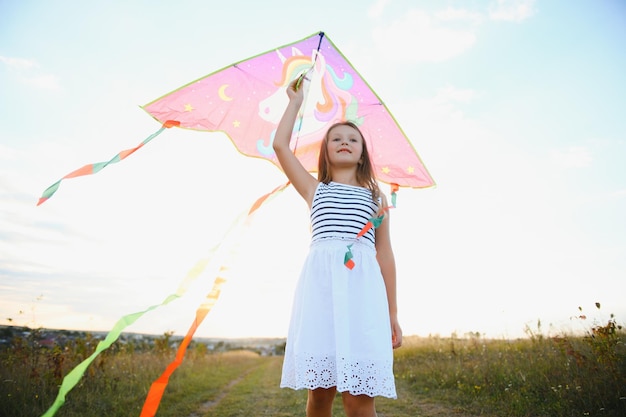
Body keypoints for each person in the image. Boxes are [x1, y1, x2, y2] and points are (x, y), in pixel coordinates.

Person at [274, 76, 402, 417]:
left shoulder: (377, 197)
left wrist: (392, 313)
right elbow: (280, 147)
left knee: (359, 400)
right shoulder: (314, 189)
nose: (344, 142)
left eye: (352, 139)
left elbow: (385, 255)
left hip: (363, 296)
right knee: (320, 394)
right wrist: (295, 103)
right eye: (336, 138)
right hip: (322, 294)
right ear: (326, 150)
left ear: (362, 154)